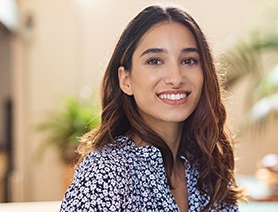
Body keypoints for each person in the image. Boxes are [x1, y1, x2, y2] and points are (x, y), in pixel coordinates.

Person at [60, 4, 244, 212]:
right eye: (155, 61)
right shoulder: (105, 172)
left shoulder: (208, 170)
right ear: (126, 79)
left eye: (188, 60)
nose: (175, 78)